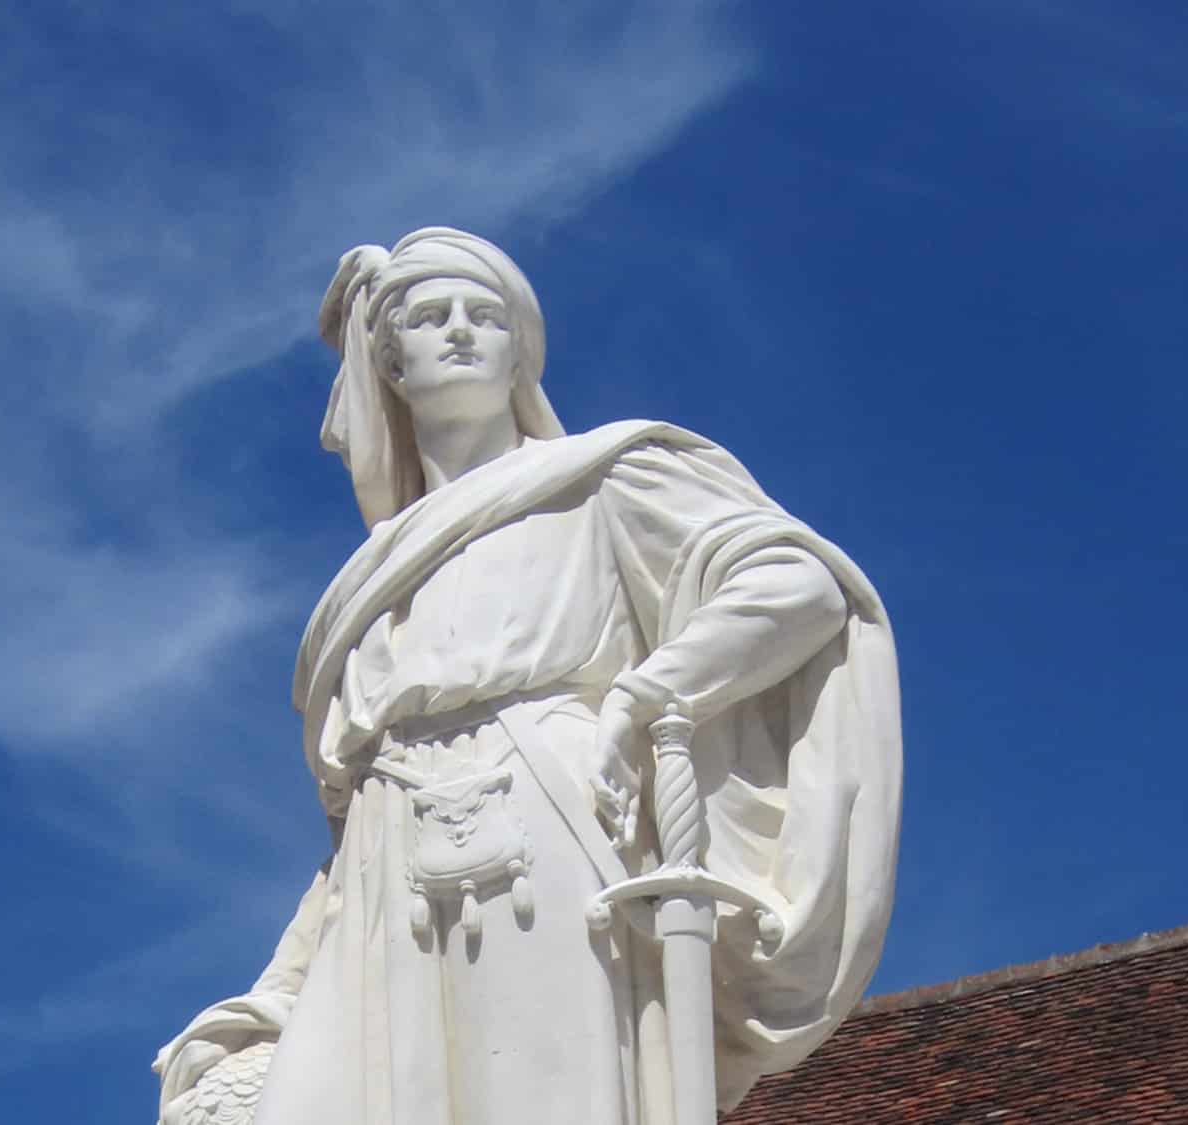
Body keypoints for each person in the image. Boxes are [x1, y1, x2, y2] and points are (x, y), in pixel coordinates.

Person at [154, 228, 902, 1125]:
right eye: (431, 316)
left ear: (520, 354)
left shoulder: (599, 479)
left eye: (486, 314)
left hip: (550, 823)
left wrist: (650, 691)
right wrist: (278, 991)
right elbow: (345, 854)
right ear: (390, 362)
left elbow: (795, 584)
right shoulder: (364, 589)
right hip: (388, 864)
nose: (460, 330)